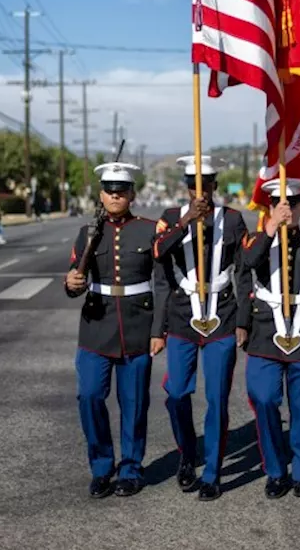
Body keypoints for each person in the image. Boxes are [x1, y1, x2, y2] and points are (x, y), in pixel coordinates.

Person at [151, 155, 249, 501]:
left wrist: (244, 320)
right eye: (193, 185)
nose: (199, 191)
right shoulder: (169, 218)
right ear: (186, 187)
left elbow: (244, 272)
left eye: (205, 185)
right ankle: (187, 452)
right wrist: (186, 221)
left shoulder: (233, 220)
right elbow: (158, 254)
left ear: (215, 187)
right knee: (177, 392)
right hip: (181, 316)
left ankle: (212, 472)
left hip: (222, 314)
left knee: (217, 397)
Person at [64, 162, 159, 499]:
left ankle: (131, 469)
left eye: (121, 191)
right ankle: (102, 467)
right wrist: (72, 283)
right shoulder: (88, 233)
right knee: (89, 395)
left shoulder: (149, 230)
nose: (115, 196)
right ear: (101, 195)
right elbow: (76, 278)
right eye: (109, 191)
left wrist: (158, 330)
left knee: (134, 404)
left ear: (131, 194)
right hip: (95, 327)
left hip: (137, 326)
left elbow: (161, 284)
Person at [239, 177, 300, 499]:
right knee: (264, 399)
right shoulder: (256, 239)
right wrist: (270, 228)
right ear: (269, 207)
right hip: (265, 334)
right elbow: (248, 263)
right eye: (279, 204)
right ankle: (276, 471)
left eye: (292, 204)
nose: (286, 210)